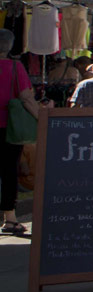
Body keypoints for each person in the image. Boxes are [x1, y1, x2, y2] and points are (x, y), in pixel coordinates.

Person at [2, 30, 45, 236]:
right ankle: (9, 218)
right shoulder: (14, 67)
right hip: (9, 128)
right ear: (9, 46)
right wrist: (41, 119)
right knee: (9, 169)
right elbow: (26, 98)